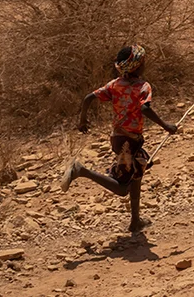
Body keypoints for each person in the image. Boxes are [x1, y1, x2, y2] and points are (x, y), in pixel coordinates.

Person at [59, 45, 177, 233]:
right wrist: (166, 126)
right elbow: (145, 108)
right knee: (123, 189)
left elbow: (89, 98)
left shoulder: (114, 84)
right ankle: (81, 171)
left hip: (120, 138)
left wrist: (82, 121)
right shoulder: (143, 86)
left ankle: (135, 221)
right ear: (138, 66)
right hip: (129, 142)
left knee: (137, 174)